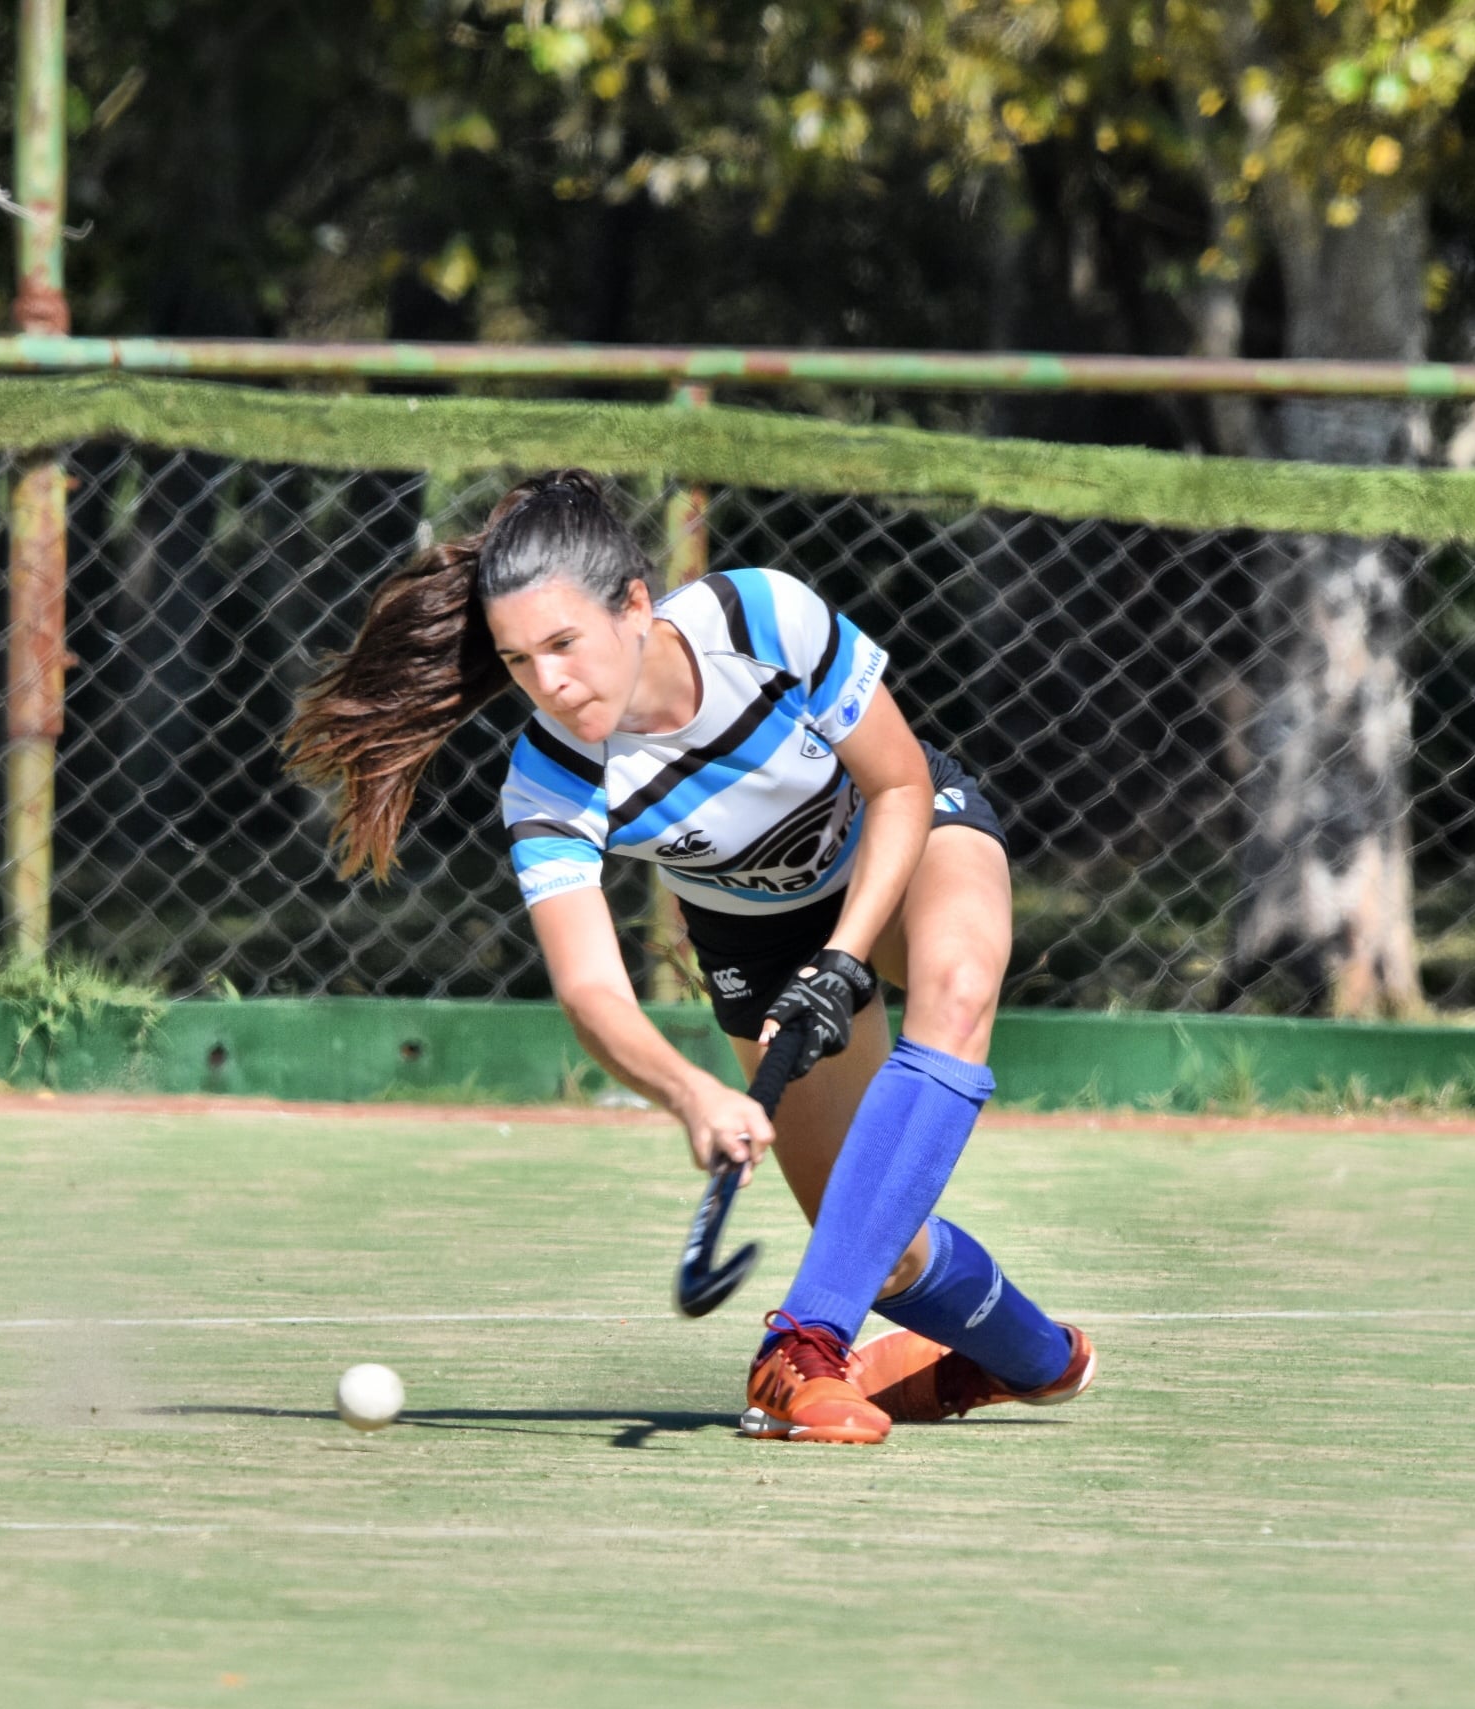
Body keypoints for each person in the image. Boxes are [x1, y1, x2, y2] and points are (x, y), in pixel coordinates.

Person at [283, 470, 1095, 1444]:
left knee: (958, 986)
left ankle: (802, 1343)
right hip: (756, 935)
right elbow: (590, 990)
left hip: (897, 841)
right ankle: (1042, 1360)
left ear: (634, 605)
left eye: (564, 645)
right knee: (875, 1248)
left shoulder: (760, 619)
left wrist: (842, 957)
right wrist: (691, 1095)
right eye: (520, 661)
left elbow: (899, 782)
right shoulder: (549, 781)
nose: (550, 684)